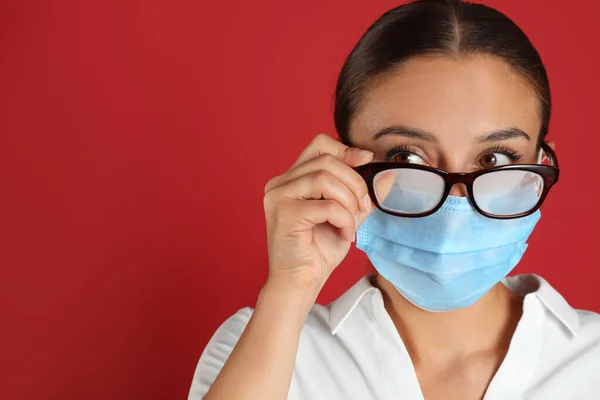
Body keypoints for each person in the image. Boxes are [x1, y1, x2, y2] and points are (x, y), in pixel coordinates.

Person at [189, 0, 600, 399]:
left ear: (539, 167)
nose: (455, 205)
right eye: (407, 157)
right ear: (341, 165)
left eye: (494, 158)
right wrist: (290, 289)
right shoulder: (262, 346)